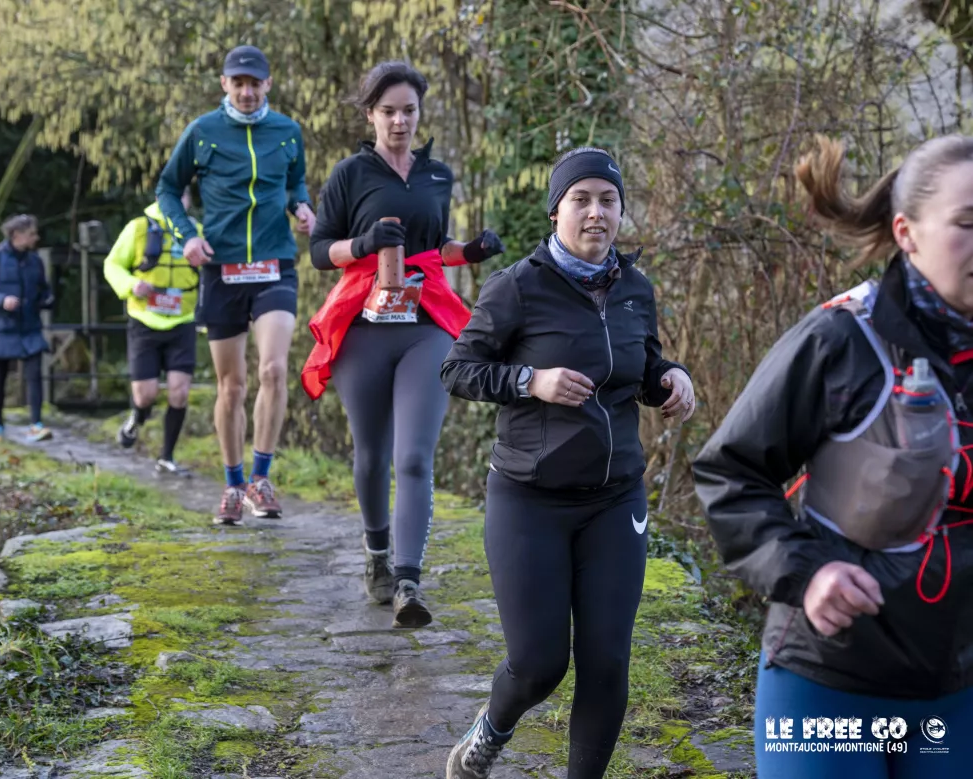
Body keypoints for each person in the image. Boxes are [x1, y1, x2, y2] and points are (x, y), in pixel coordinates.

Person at [692, 135, 973, 778]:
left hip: (957, 690)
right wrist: (809, 572)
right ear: (906, 233)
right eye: (967, 224)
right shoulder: (841, 339)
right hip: (830, 676)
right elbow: (730, 471)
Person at [440, 146, 695, 779]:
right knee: (539, 663)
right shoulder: (518, 287)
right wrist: (532, 380)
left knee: (607, 662)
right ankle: (490, 732)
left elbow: (640, 367)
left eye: (608, 200)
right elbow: (458, 370)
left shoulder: (635, 289)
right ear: (556, 211)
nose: (596, 213)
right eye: (581, 200)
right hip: (529, 498)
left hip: (615, 497)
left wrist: (670, 377)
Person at [303, 61, 504, 629]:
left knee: (413, 456)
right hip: (363, 328)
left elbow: (436, 248)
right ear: (370, 114)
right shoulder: (350, 174)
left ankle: (408, 580)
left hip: (425, 325)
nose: (399, 121)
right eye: (388, 111)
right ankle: (376, 555)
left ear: (420, 113)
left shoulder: (437, 175)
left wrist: (472, 250)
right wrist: (363, 243)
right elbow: (319, 251)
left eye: (408, 111)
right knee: (371, 453)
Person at [157, 44, 314, 526]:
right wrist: (186, 237)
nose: (247, 92)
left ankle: (260, 480)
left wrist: (302, 206)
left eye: (254, 83)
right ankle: (232, 484)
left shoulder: (287, 132)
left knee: (273, 369)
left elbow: (296, 182)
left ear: (268, 84)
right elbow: (167, 189)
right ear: (224, 84)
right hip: (221, 269)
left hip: (274, 265)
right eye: (238, 83)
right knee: (232, 386)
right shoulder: (201, 132)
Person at [103, 191, 200, 476]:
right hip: (144, 320)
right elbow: (112, 264)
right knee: (145, 395)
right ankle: (136, 418)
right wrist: (131, 285)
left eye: (183, 195)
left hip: (183, 320)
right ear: (160, 197)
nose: (179, 201)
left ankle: (167, 457)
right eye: (173, 194)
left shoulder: (197, 231)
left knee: (180, 392)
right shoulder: (138, 228)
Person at [0, 214, 56, 444]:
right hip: (0, 330)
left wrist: (47, 299)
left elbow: (44, 289)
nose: (36, 238)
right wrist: (1, 300)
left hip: (29, 327)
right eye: (31, 234)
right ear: (16, 235)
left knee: (35, 374)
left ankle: (36, 424)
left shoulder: (35, 261)